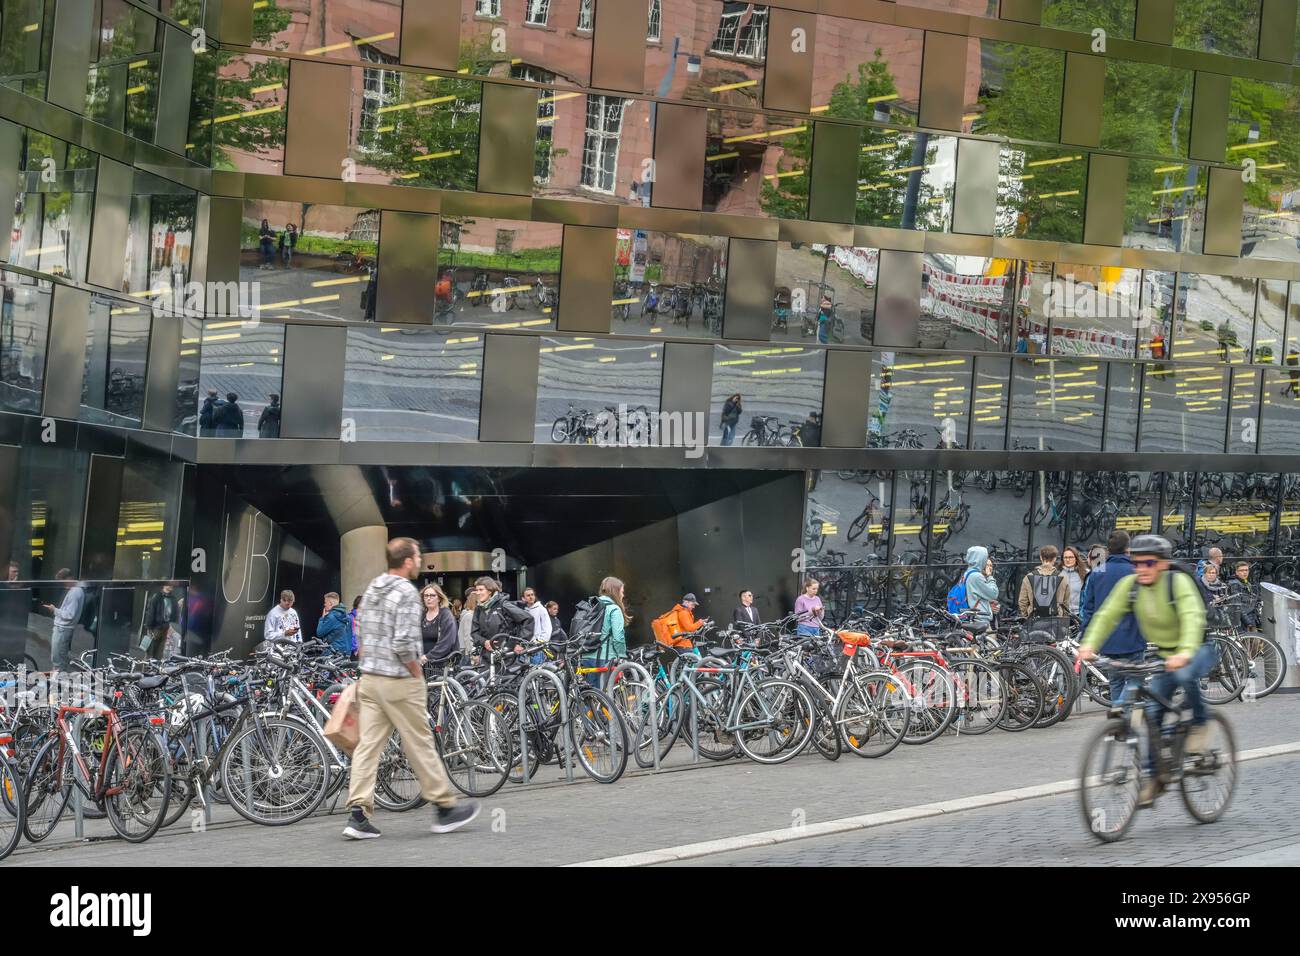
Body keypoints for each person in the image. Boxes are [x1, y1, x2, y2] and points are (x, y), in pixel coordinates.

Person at [343, 537, 477, 839]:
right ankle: (444, 808)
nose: (420, 561)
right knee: (419, 741)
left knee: (368, 746)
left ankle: (357, 815)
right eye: (417, 557)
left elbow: (361, 630)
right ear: (406, 561)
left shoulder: (375, 585)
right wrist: (416, 672)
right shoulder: (404, 591)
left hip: (370, 679)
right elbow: (404, 643)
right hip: (399, 679)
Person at [1079, 534, 1212, 806]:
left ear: (1162, 563)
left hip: (1196, 647)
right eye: (1136, 563)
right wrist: (1089, 645)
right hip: (1164, 655)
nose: (1142, 568)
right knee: (1152, 713)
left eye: (1149, 562)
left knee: (1186, 675)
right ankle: (1154, 777)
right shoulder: (1131, 585)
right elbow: (1107, 614)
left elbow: (1191, 617)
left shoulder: (1178, 582)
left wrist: (1185, 651)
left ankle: (1199, 724)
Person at [470, 576, 533, 655]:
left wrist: (520, 643)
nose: (478, 593)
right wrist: (484, 642)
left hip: (506, 655)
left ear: (490, 591)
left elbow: (528, 619)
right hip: (486, 656)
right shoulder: (478, 609)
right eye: (477, 590)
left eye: (481, 590)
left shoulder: (503, 605)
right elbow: (474, 633)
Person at [585, 576, 628, 688]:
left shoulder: (591, 606)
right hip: (605, 658)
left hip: (586, 657)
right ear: (615, 591)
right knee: (606, 697)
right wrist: (622, 655)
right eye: (622, 592)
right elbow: (618, 637)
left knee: (591, 696)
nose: (623, 595)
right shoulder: (614, 608)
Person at [43, 569, 85, 671]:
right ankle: (58, 680)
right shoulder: (76, 590)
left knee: (58, 659)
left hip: (63, 629)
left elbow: (69, 615)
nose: (62, 585)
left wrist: (54, 610)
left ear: (68, 579)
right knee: (59, 657)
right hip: (63, 629)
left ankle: (58, 682)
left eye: (63, 582)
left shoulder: (75, 592)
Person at [1017, 545, 1070, 625]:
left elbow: (1022, 601)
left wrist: (1027, 615)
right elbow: (1066, 603)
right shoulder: (1063, 578)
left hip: (1033, 620)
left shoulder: (1028, 577)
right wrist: (1063, 617)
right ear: (1055, 559)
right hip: (1055, 621)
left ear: (1041, 557)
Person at [418, 583, 459, 665]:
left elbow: (447, 642)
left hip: (441, 664)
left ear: (439, 598)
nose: (429, 598)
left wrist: (428, 657)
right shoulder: (421, 615)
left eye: (432, 595)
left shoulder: (446, 615)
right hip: (422, 663)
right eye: (426, 596)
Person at [961, 546, 999, 628]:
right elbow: (994, 594)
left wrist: (987, 604)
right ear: (980, 559)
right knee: (990, 640)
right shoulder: (976, 576)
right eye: (985, 558)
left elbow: (975, 596)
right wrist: (989, 576)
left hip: (973, 618)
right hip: (979, 621)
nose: (986, 561)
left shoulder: (968, 573)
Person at [142, 583, 178, 660]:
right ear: (163, 585)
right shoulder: (157, 597)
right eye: (168, 584)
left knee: (159, 653)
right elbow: (151, 612)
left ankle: (155, 670)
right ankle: (146, 670)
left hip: (167, 628)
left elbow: (176, 614)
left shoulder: (173, 599)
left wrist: (173, 626)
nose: (170, 585)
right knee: (150, 652)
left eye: (171, 584)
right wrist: (149, 627)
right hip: (156, 627)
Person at [1077, 543, 1108, 626]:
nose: (1087, 559)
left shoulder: (1092, 577)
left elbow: (1087, 601)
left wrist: (1084, 620)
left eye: (1088, 557)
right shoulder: (1103, 574)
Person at [1227, 562, 1261, 631]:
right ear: (1236, 572)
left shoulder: (1246, 582)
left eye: (1246, 570)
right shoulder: (1235, 584)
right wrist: (1248, 623)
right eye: (1241, 570)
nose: (1245, 572)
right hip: (1242, 622)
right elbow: (1237, 606)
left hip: (1250, 618)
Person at [316, 592, 352, 656]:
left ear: (330, 603)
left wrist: (322, 618)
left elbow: (319, 633)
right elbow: (349, 636)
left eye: (325, 602)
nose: (324, 604)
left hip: (333, 653)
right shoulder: (347, 617)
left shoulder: (331, 617)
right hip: (345, 653)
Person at [1059, 546, 1087, 616]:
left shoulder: (1085, 573)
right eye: (1065, 557)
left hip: (1079, 614)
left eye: (1071, 557)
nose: (1068, 560)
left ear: (1076, 558)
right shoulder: (1058, 573)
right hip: (1061, 614)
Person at [457, 589, 478, 657]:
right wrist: (473, 653)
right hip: (469, 653)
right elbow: (468, 636)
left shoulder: (472, 614)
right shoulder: (469, 616)